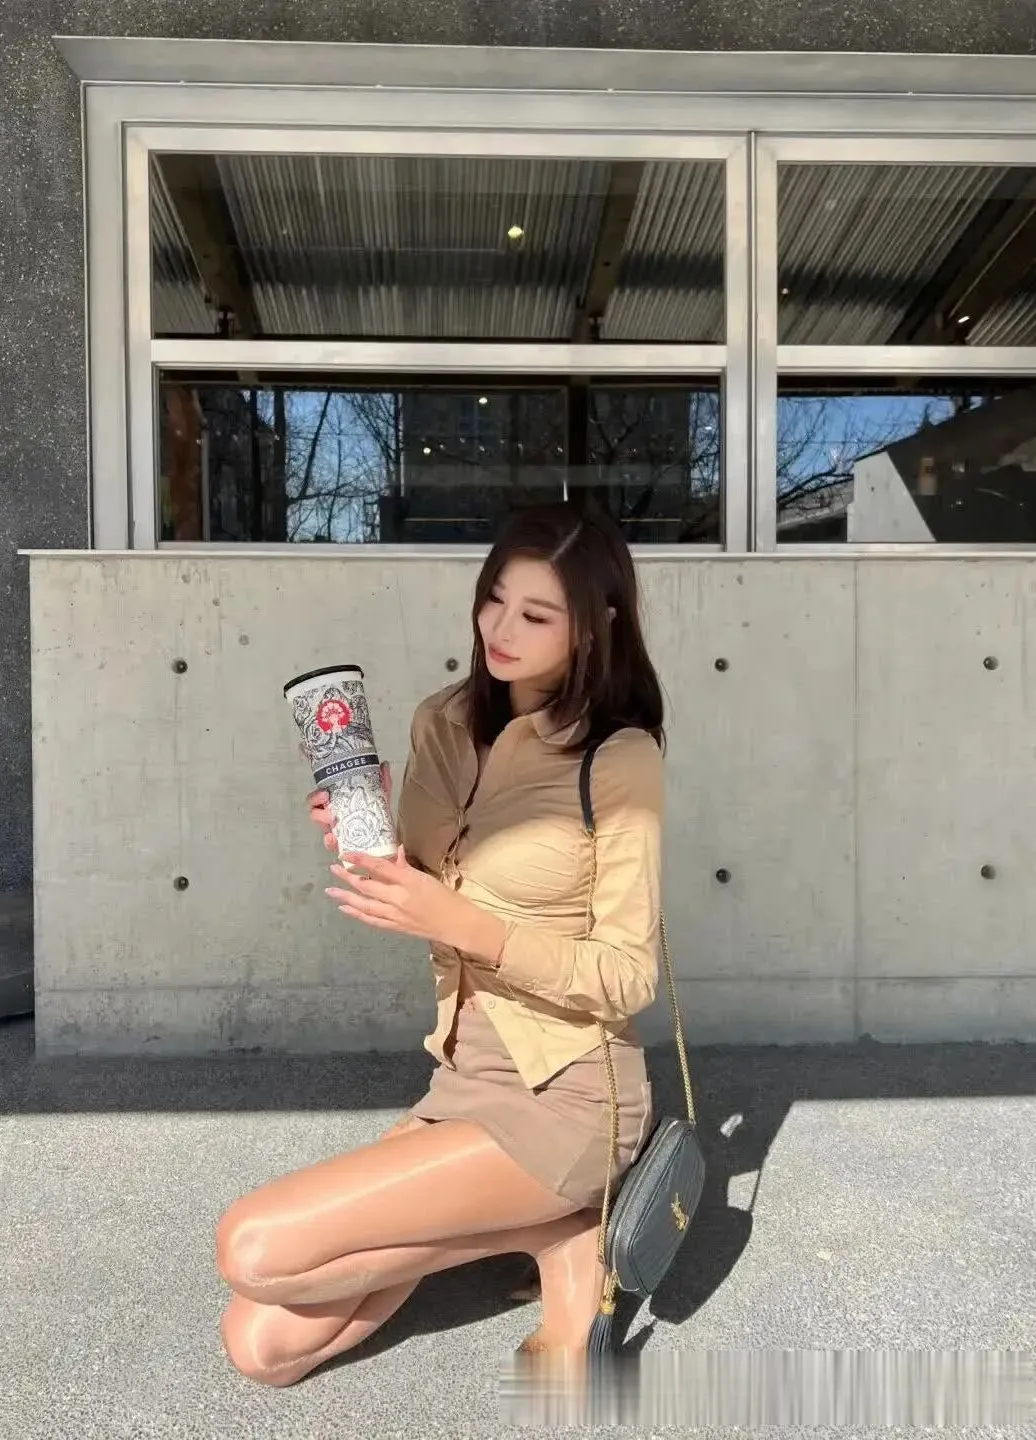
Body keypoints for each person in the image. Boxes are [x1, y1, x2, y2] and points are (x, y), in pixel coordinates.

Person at [215, 501, 666, 1386]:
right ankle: (554, 1227)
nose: (501, 629)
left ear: (593, 627)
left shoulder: (618, 760)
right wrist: (370, 843)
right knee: (261, 1348)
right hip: (462, 1075)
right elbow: (432, 876)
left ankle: (567, 1205)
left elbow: (628, 975)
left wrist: (461, 925)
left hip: (572, 1095)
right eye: (494, 598)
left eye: (535, 615)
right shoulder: (443, 721)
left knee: (252, 1248)